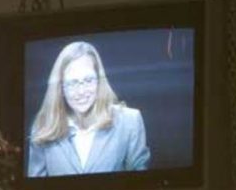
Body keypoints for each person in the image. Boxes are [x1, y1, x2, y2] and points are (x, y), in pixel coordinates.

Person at [27, 40, 150, 177]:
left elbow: (140, 187)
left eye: (88, 80)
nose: (81, 91)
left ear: (99, 80)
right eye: (72, 83)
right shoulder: (43, 127)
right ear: (60, 88)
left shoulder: (129, 121)